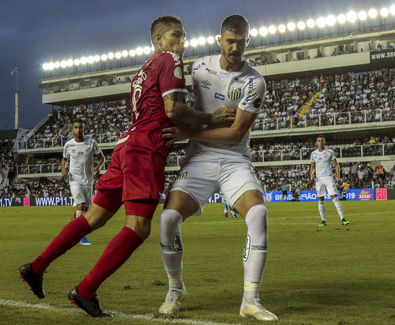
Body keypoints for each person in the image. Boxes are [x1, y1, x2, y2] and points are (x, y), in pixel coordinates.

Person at [18, 16, 233, 318]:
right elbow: (173, 109)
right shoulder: (170, 60)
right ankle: (86, 289)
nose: (182, 42)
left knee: (93, 216)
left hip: (125, 146)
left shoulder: (141, 71)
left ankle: (37, 266)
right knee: (138, 227)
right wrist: (211, 118)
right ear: (159, 39)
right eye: (176, 36)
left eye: (184, 37)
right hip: (145, 149)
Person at [158, 14, 278, 321]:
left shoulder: (255, 81)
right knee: (169, 219)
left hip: (234, 158)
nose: (235, 47)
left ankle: (250, 300)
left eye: (240, 42)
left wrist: (188, 133)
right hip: (198, 158)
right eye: (230, 41)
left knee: (259, 214)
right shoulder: (199, 69)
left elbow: (236, 133)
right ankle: (175, 289)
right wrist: (196, 123)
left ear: (247, 42)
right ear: (219, 40)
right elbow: (183, 109)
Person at [62, 119, 105, 245]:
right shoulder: (68, 145)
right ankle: (81, 236)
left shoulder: (91, 143)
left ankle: (75, 219)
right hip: (74, 179)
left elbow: (101, 158)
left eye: (80, 127)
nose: (78, 130)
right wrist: (63, 171)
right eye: (76, 127)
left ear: (84, 129)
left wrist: (96, 168)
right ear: (72, 129)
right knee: (80, 205)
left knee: (85, 209)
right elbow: (64, 159)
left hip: (88, 179)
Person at [309, 135, 349, 227]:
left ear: (325, 142)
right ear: (316, 143)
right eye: (319, 141)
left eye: (322, 140)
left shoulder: (330, 152)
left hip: (328, 177)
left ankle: (343, 218)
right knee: (320, 199)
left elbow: (336, 165)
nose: (320, 142)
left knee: (334, 197)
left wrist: (337, 177)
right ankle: (323, 220)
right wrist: (311, 174)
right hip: (318, 179)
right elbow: (312, 166)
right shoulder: (313, 154)